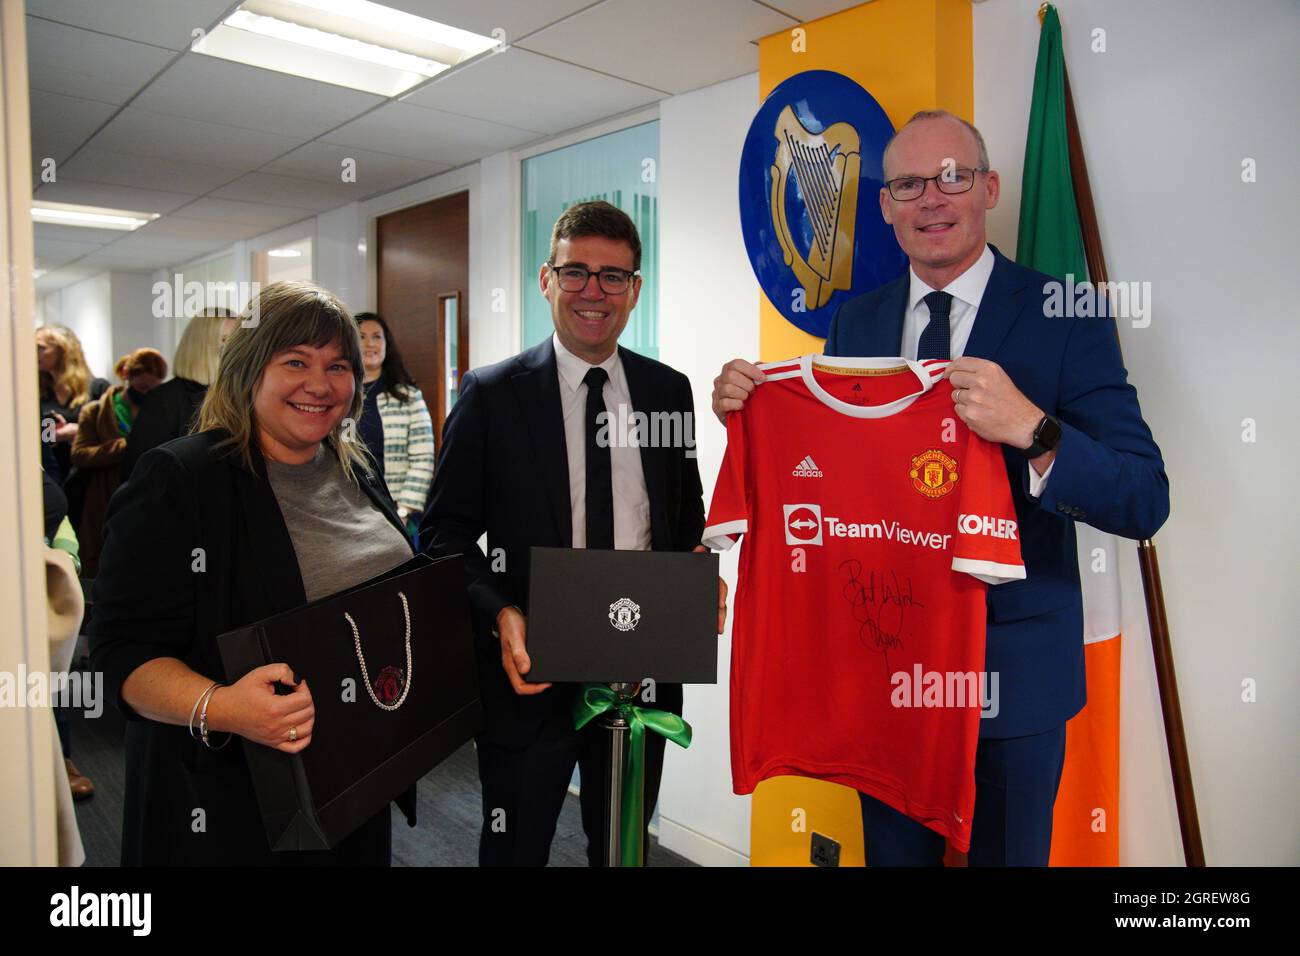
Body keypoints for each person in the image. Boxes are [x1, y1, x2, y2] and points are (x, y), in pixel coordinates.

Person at [710, 110, 1168, 866]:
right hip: (885, 671)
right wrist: (752, 410)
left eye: (953, 177)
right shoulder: (855, 321)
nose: (932, 198)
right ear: (886, 206)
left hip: (1012, 677)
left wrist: (1033, 429)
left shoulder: (1065, 315)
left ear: (989, 188)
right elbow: (837, 480)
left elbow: (1145, 497)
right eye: (909, 184)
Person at [424, 200, 725, 866]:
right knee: (516, 848)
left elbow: (684, 512)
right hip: (532, 667)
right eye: (576, 272)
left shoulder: (666, 391)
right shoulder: (492, 394)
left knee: (622, 848)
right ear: (546, 279)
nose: (594, 291)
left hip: (641, 666)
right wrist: (499, 612)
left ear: (635, 289)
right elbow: (443, 532)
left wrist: (698, 568)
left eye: (613, 276)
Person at [88, 281, 416, 866]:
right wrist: (222, 706)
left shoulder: (353, 469)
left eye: (338, 365)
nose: (320, 384)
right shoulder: (182, 479)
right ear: (247, 369)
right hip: (232, 805)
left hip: (352, 782)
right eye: (295, 362)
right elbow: (122, 652)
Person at [70, 348, 167, 578]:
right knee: (101, 563)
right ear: (127, 376)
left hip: (147, 500)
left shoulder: (161, 412)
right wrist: (125, 446)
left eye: (154, 389)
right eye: (142, 387)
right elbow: (79, 454)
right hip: (103, 498)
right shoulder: (95, 412)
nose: (147, 394)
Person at [122, 308, 238, 480]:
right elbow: (141, 474)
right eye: (225, 340)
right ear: (201, 346)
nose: (236, 349)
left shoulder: (243, 395)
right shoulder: (163, 401)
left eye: (239, 340)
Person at [355, 312, 435, 536]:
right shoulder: (338, 394)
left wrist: (404, 509)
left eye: (377, 337)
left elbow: (423, 457)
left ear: (386, 343)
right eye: (361, 337)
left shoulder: (408, 396)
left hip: (397, 509)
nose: (370, 344)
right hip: (352, 508)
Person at [36, 325, 109, 487]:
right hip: (54, 475)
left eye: (40, 348)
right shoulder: (39, 393)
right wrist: (54, 434)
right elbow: (41, 441)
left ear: (63, 350)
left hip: (90, 478)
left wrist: (78, 432)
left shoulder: (98, 389)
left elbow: (114, 436)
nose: (34, 353)